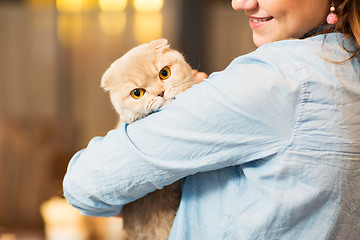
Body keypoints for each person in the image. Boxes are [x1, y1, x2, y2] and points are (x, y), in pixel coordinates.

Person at [63, 0, 360, 239]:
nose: (239, 3)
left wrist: (153, 120)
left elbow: (84, 185)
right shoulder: (348, 65)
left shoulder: (276, 78)